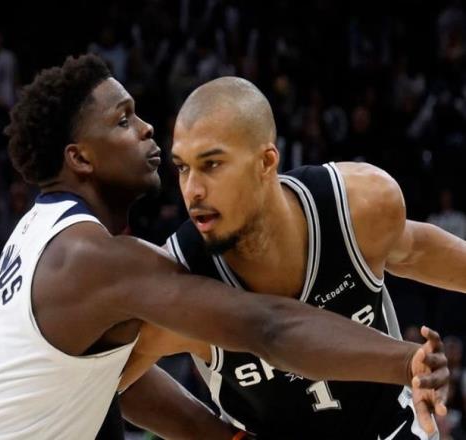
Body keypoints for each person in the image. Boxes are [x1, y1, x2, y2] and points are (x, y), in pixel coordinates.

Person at [0, 55, 447, 440]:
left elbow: (109, 378)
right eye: (123, 120)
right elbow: (269, 328)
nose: (146, 128)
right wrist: (404, 361)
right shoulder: (93, 260)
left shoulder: (41, 234)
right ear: (80, 158)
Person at [119, 76, 462, 439]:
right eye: (183, 167)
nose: (192, 190)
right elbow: (107, 381)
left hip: (392, 429)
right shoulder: (180, 283)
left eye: (212, 164)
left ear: (266, 162)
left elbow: (416, 250)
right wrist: (212, 434)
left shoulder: (356, 207)